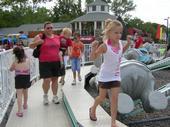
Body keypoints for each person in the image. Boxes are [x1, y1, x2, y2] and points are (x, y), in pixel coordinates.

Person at [89, 19, 131, 127]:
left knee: (114, 99)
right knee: (102, 97)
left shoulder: (120, 44)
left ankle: (113, 122)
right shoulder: (104, 46)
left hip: (116, 76)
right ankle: (93, 108)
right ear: (109, 33)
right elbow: (93, 58)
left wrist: (129, 44)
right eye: (116, 32)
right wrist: (93, 49)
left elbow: (121, 52)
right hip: (105, 76)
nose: (118, 35)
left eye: (120, 32)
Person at [29, 21, 61, 105]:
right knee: (47, 80)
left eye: (51, 27)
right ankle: (45, 96)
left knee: (55, 80)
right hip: (44, 62)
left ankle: (54, 96)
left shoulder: (57, 37)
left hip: (56, 61)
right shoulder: (40, 36)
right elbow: (30, 45)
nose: (50, 29)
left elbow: (59, 49)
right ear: (44, 29)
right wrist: (37, 43)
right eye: (48, 28)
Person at [10, 47, 31, 117]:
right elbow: (29, 67)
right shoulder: (27, 59)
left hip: (19, 78)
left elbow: (11, 69)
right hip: (26, 77)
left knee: (19, 95)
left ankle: (20, 111)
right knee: (25, 92)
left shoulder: (15, 61)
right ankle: (25, 104)